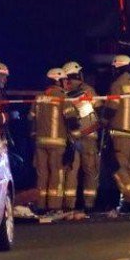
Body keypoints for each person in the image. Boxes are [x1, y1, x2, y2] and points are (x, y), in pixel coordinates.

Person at [101, 55, 130, 212]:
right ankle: (129, 201)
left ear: (117, 69)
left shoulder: (117, 86)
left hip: (120, 133)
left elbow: (112, 108)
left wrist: (103, 121)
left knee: (118, 167)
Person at [62, 61, 101, 212]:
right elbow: (98, 109)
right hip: (89, 136)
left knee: (71, 171)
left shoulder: (63, 93)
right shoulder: (88, 91)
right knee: (90, 170)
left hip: (71, 138)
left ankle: (69, 205)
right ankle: (89, 204)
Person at [29, 68, 68, 213]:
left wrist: (33, 135)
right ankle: (54, 206)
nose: (66, 83)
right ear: (58, 80)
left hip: (40, 142)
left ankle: (40, 206)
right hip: (57, 143)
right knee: (56, 175)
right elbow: (70, 119)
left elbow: (31, 118)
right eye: (64, 80)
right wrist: (74, 138)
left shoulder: (39, 97)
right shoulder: (63, 96)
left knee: (42, 174)